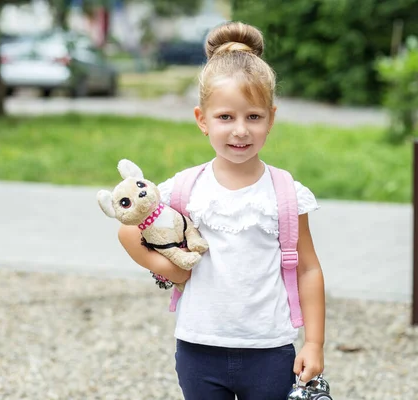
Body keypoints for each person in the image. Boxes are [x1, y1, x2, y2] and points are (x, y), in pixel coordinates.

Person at [118, 21, 326, 400]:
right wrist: (169, 268)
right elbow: (130, 230)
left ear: (271, 118)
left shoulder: (286, 193)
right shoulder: (185, 188)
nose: (240, 131)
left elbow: (309, 268)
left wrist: (314, 343)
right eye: (225, 117)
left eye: (253, 117)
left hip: (270, 349)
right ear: (202, 119)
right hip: (198, 347)